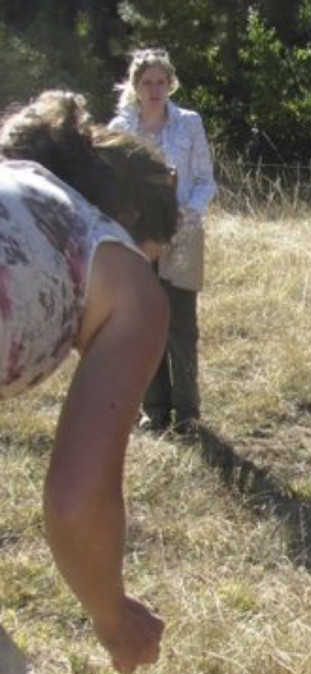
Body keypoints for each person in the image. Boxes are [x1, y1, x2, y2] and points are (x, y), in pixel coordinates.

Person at [0, 90, 176, 674]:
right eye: (158, 251)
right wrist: (114, 616)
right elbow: (77, 502)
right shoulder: (122, 272)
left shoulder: (18, 198)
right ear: (137, 225)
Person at [110, 47, 216, 433]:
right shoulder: (121, 129)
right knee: (145, 323)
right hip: (139, 238)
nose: (155, 89)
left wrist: (187, 213)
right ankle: (154, 410)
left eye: (161, 82)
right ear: (135, 86)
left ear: (171, 84)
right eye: (147, 82)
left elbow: (206, 179)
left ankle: (187, 413)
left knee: (182, 324)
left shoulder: (189, 123)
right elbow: (114, 186)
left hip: (183, 234)